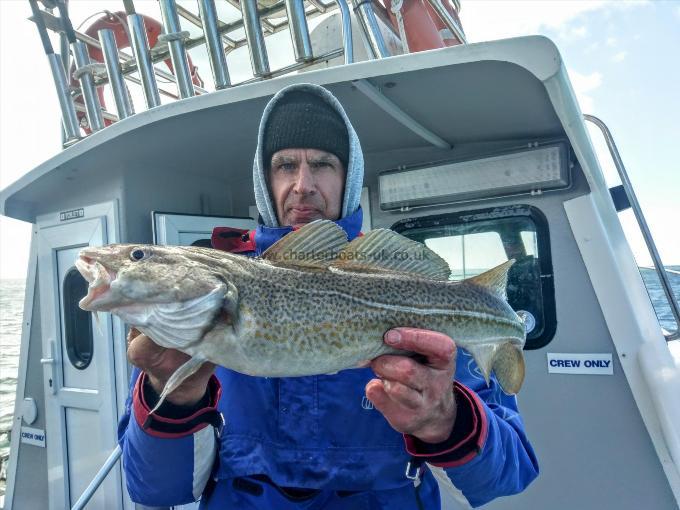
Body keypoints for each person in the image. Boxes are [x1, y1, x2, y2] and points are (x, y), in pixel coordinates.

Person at [119, 83, 539, 509]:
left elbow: (508, 474)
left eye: (322, 164)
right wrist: (171, 394)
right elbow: (154, 490)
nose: (302, 185)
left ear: (349, 176)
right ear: (265, 179)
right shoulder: (204, 302)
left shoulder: (414, 296)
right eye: (285, 165)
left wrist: (444, 419)